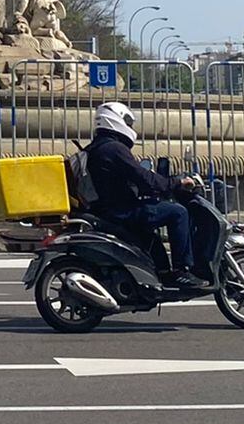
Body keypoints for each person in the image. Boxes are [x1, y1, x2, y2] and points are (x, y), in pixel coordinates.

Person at [85, 101, 209, 291]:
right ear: (116, 119)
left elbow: (130, 178)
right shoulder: (114, 149)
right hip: (121, 211)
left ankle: (163, 274)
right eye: (128, 122)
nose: (130, 127)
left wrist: (152, 187)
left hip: (110, 208)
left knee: (151, 236)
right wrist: (175, 183)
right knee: (178, 213)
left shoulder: (99, 147)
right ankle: (180, 271)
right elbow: (144, 177)